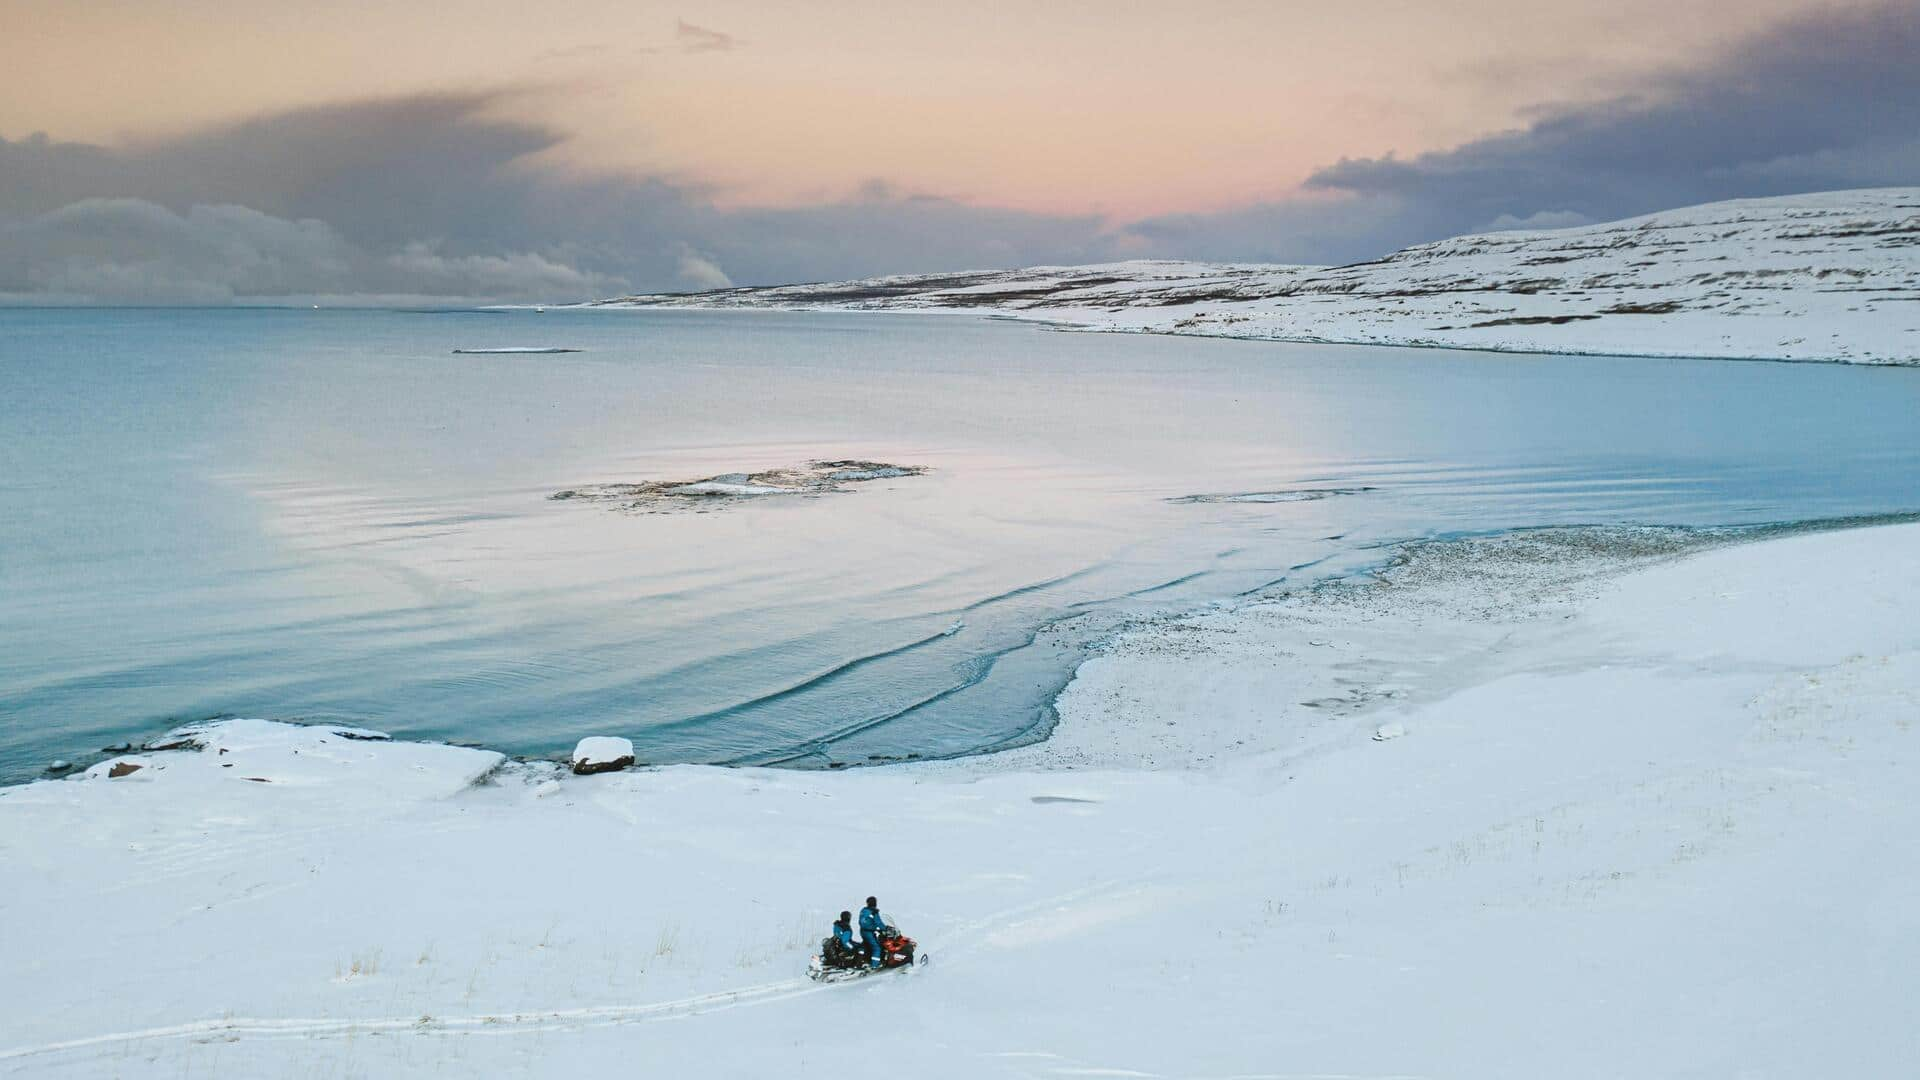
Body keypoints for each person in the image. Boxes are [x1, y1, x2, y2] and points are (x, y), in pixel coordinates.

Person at [858, 896, 886, 969]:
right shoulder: (874, 912)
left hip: (862, 931)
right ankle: (874, 965)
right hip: (869, 932)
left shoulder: (863, 910)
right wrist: (885, 929)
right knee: (876, 948)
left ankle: (860, 960)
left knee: (865, 944)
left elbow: (862, 921)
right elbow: (878, 922)